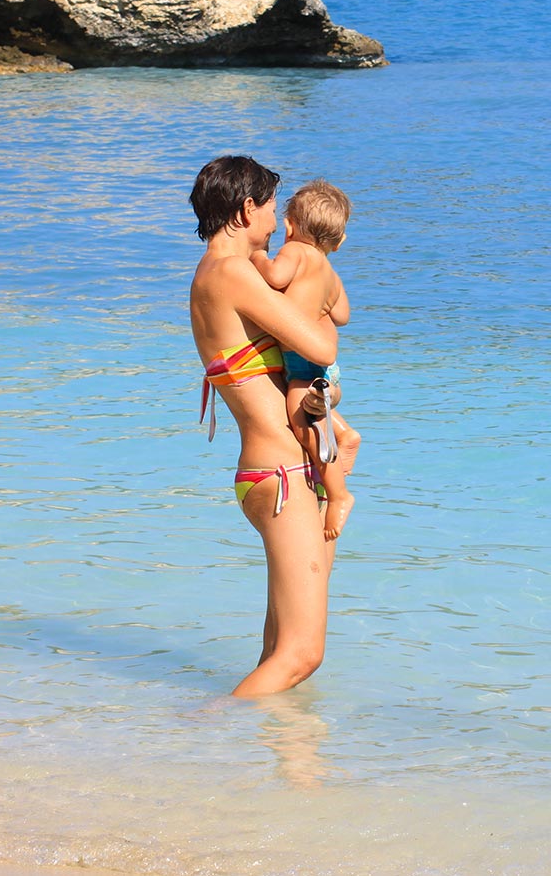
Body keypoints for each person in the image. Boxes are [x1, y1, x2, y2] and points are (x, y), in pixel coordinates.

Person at [189, 154, 341, 697]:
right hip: (282, 473)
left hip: (265, 471)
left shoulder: (206, 277)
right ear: (246, 208)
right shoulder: (231, 272)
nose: (277, 224)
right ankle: (200, 735)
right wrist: (323, 295)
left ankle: (282, 770)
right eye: (273, 209)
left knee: (278, 656)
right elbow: (321, 345)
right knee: (302, 655)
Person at [250, 179, 361, 542]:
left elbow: (275, 276)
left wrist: (257, 259)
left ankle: (340, 495)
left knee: (302, 425)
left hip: (301, 364)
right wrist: (320, 304)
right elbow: (342, 314)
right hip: (320, 367)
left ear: (289, 226)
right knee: (313, 416)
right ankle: (344, 433)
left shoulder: (294, 253)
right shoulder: (330, 272)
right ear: (339, 242)